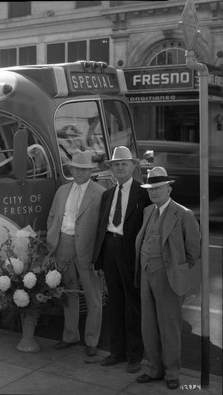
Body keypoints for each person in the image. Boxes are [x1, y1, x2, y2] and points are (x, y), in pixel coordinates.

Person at [134, 167, 200, 390]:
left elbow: (193, 252)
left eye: (158, 188)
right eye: (150, 188)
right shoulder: (147, 211)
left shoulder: (184, 214)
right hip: (145, 273)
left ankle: (172, 373)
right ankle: (154, 368)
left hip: (168, 276)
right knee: (148, 324)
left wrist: (174, 268)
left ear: (169, 189)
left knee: (169, 326)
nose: (154, 192)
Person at [92, 146, 151, 373]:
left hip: (130, 253)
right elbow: (100, 228)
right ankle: (117, 352)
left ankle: (135, 355)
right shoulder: (108, 194)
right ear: (112, 168)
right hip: (110, 249)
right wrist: (99, 258)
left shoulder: (142, 193)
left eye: (124, 164)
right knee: (114, 303)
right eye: (116, 164)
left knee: (132, 304)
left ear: (133, 166)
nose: (119, 167)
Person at [47, 150, 106, 356]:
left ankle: (92, 341)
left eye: (85, 169)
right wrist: (52, 237)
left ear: (90, 170)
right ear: (71, 169)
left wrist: (98, 253)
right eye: (77, 168)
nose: (80, 172)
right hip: (62, 245)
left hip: (87, 250)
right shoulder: (62, 190)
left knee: (93, 296)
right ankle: (70, 337)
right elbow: (53, 215)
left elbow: (103, 226)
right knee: (68, 294)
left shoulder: (100, 192)